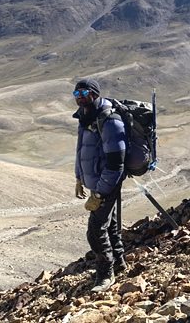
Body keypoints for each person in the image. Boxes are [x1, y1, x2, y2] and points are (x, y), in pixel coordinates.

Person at [73, 78, 127, 292]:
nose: (80, 98)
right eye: (76, 94)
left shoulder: (109, 119)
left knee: (95, 230)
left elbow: (116, 162)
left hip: (108, 181)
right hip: (98, 182)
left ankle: (106, 274)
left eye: (84, 93)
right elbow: (82, 151)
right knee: (109, 224)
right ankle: (120, 263)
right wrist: (79, 178)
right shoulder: (86, 118)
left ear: (95, 93)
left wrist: (100, 193)